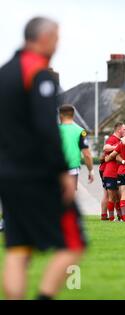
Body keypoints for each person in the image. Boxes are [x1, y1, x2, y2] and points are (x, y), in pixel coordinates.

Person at [0, 17, 86, 300]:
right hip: (36, 174)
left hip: (7, 173)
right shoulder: (37, 72)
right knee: (73, 244)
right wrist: (62, 172)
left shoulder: (4, 73)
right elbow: (46, 128)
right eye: (57, 37)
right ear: (45, 37)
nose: (58, 44)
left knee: (18, 248)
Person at [58, 104, 94, 187]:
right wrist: (90, 171)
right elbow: (87, 154)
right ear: (73, 115)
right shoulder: (81, 131)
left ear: (60, 115)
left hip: (56, 169)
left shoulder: (54, 129)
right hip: (72, 170)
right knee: (69, 197)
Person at [102, 122, 125, 221]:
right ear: (119, 129)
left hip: (115, 172)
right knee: (110, 196)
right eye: (124, 129)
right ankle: (110, 217)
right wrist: (118, 146)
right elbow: (105, 147)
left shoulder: (119, 140)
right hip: (110, 172)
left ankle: (117, 216)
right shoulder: (113, 139)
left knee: (116, 196)